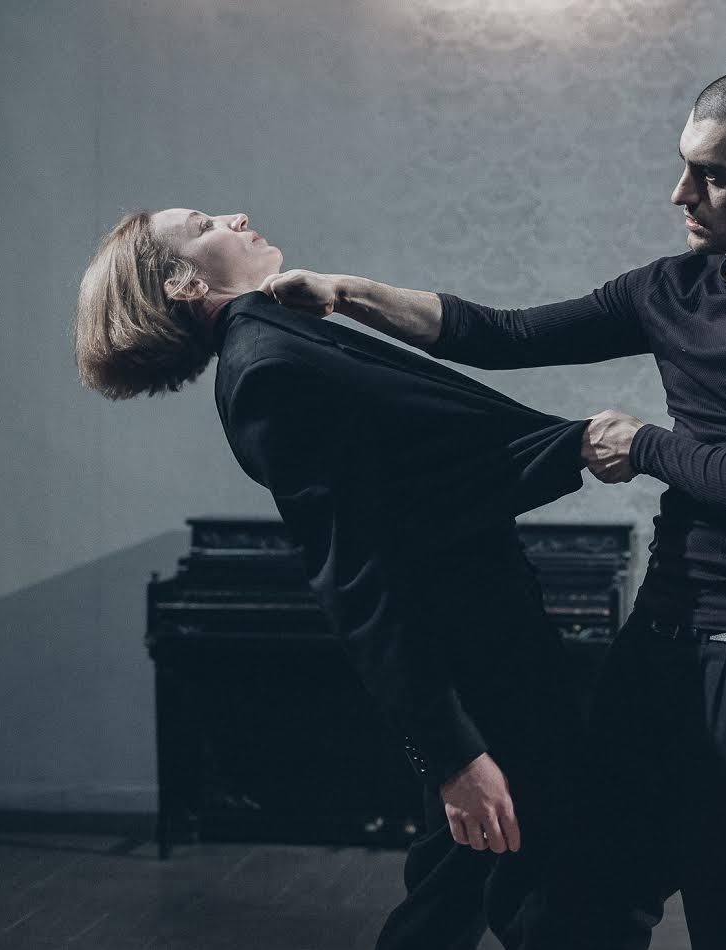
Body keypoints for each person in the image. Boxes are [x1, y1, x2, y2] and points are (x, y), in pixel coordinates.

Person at [257, 65, 726, 949]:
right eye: (684, 166)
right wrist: (348, 293)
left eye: (713, 175)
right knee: (582, 904)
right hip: (659, 637)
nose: (681, 193)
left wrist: (644, 447)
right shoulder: (672, 288)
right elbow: (503, 334)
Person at [73, 208, 592, 950]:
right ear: (183, 283)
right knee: (527, 883)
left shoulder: (281, 334)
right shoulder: (267, 370)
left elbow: (433, 463)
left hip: (494, 636)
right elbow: (357, 576)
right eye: (204, 223)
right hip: (475, 660)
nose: (236, 215)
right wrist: (453, 755)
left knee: (488, 880)